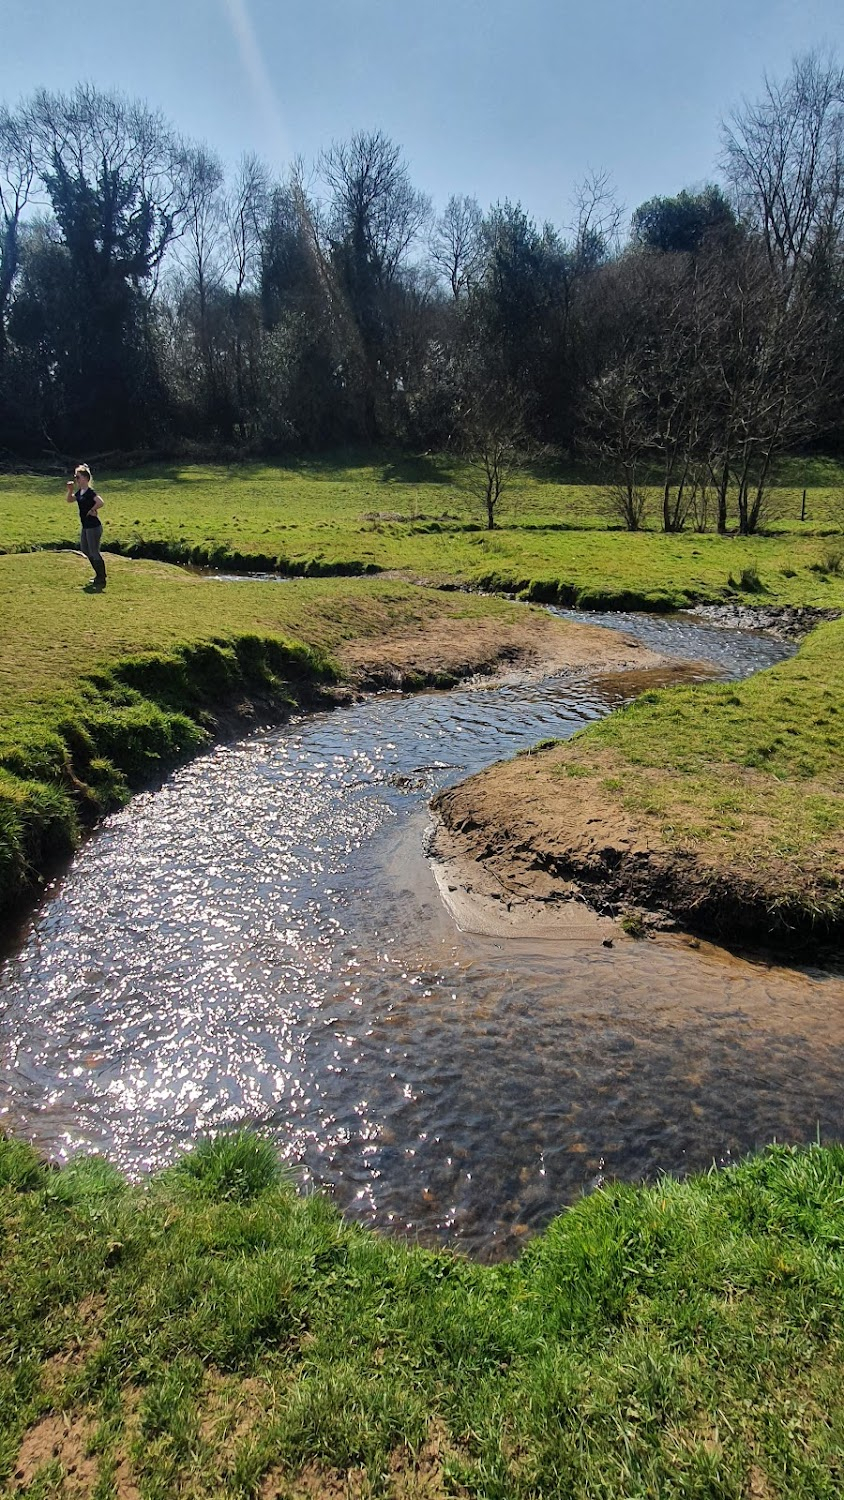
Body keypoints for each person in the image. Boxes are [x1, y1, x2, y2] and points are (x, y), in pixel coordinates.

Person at [66, 464, 106, 590]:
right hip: (85, 526)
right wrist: (70, 490)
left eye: (77, 477)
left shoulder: (89, 492)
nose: (76, 479)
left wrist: (92, 509)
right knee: (85, 550)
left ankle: (101, 577)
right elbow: (70, 500)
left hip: (93, 526)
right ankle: (98, 574)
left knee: (94, 551)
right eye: (75, 477)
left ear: (85, 478)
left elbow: (100, 502)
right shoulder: (80, 493)